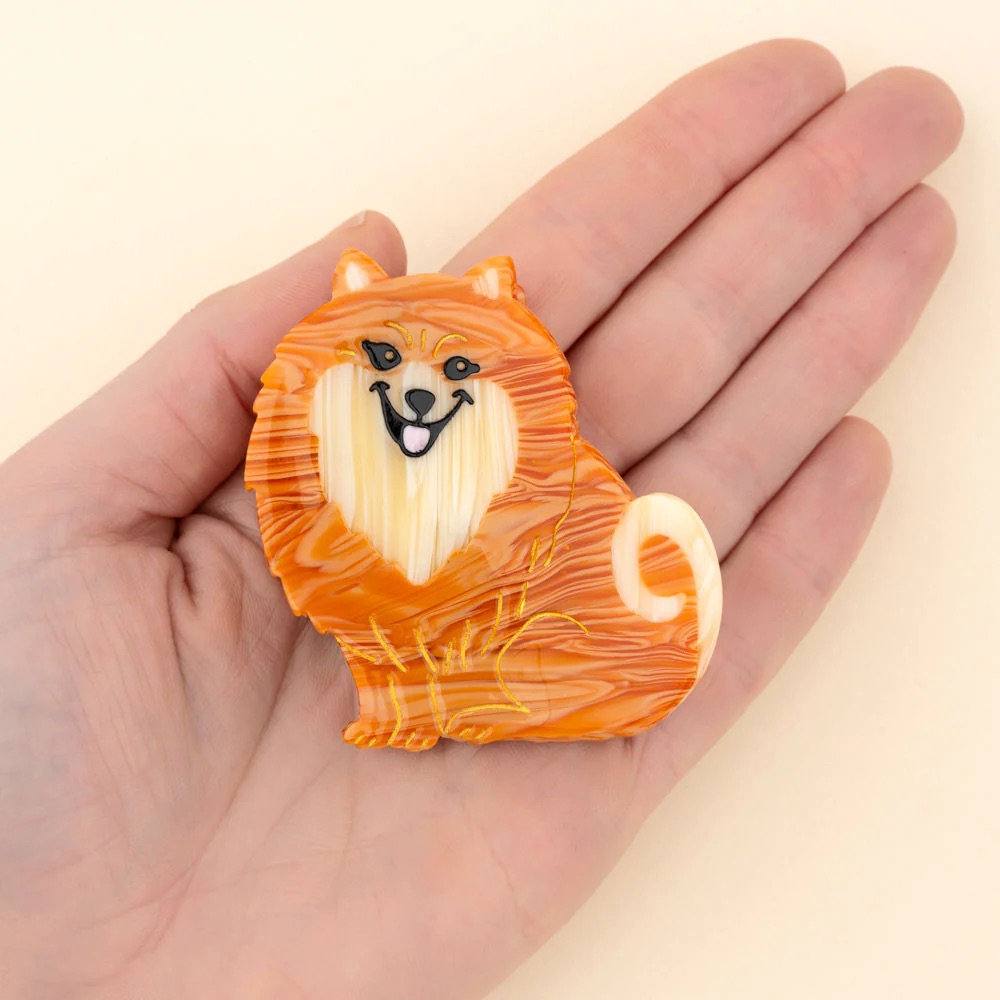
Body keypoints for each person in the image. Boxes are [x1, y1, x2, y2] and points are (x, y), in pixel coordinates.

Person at [0, 39, 961, 999]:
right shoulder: (312, 483)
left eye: (458, 368)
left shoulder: (539, 498)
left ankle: (487, 685)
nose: (418, 387)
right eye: (385, 361)